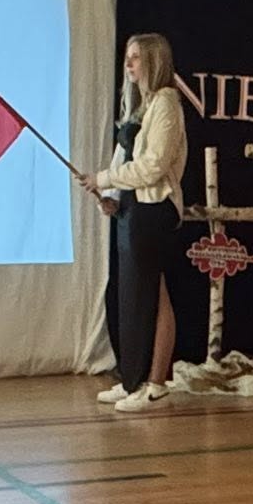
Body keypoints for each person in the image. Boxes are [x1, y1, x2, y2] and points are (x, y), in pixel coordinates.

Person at [80, 33, 185, 414]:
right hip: (132, 208)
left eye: (137, 57)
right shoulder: (139, 105)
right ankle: (132, 380)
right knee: (133, 295)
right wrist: (109, 195)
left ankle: (154, 383)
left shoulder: (167, 102)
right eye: (128, 56)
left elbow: (154, 165)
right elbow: (123, 158)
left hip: (154, 209)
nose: (129, 64)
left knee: (151, 293)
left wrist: (105, 177)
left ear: (154, 61)